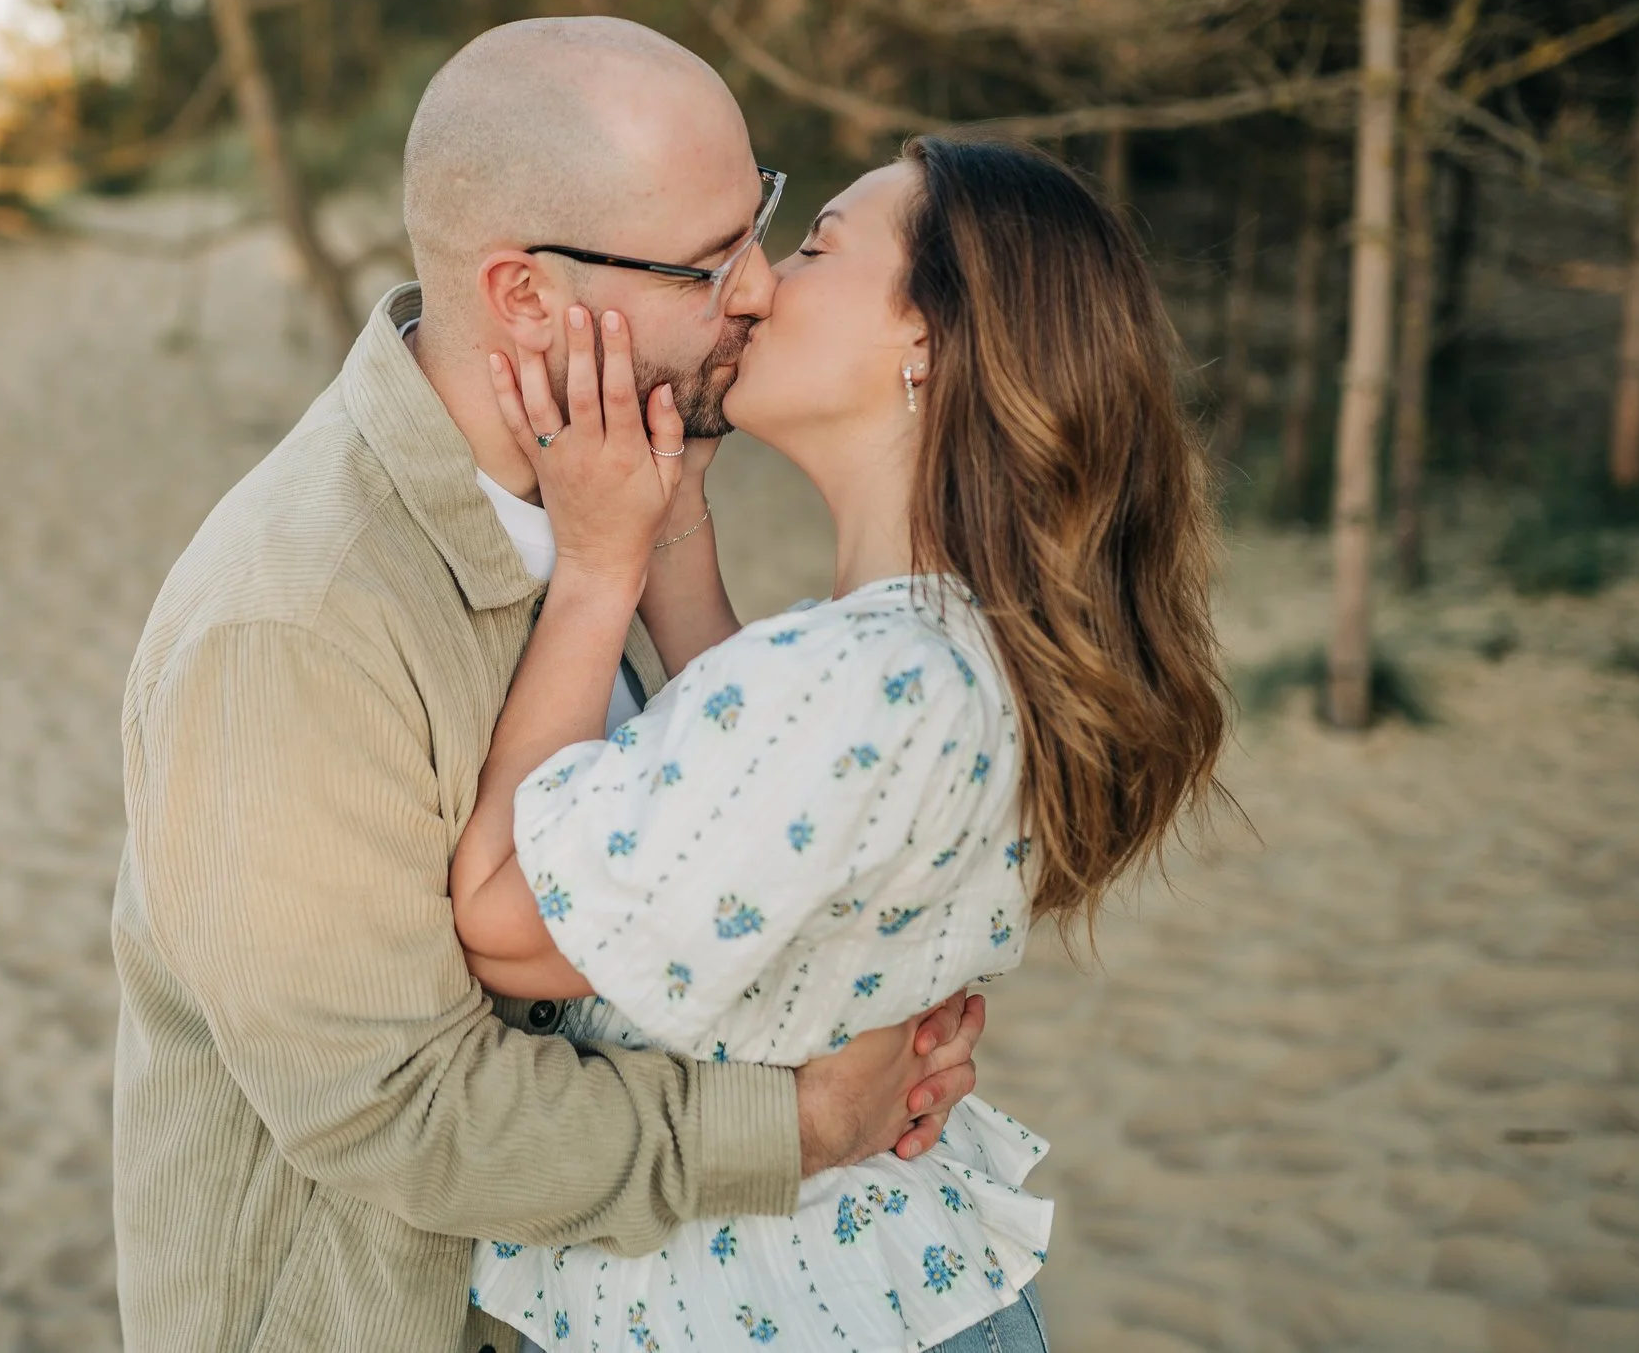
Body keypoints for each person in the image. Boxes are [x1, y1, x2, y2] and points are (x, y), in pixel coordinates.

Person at [113, 18, 990, 1353]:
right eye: (710, 262)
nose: (758, 288)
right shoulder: (294, 622)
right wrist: (801, 1122)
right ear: (524, 295)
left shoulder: (610, 488)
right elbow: (392, 1108)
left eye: (763, 222)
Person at [448, 135, 1231, 1351]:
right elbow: (752, 802)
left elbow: (505, 921)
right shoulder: (961, 650)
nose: (754, 283)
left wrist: (596, 568)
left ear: (926, 338)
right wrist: (671, 518)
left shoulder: (851, 678)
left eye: (813, 244)